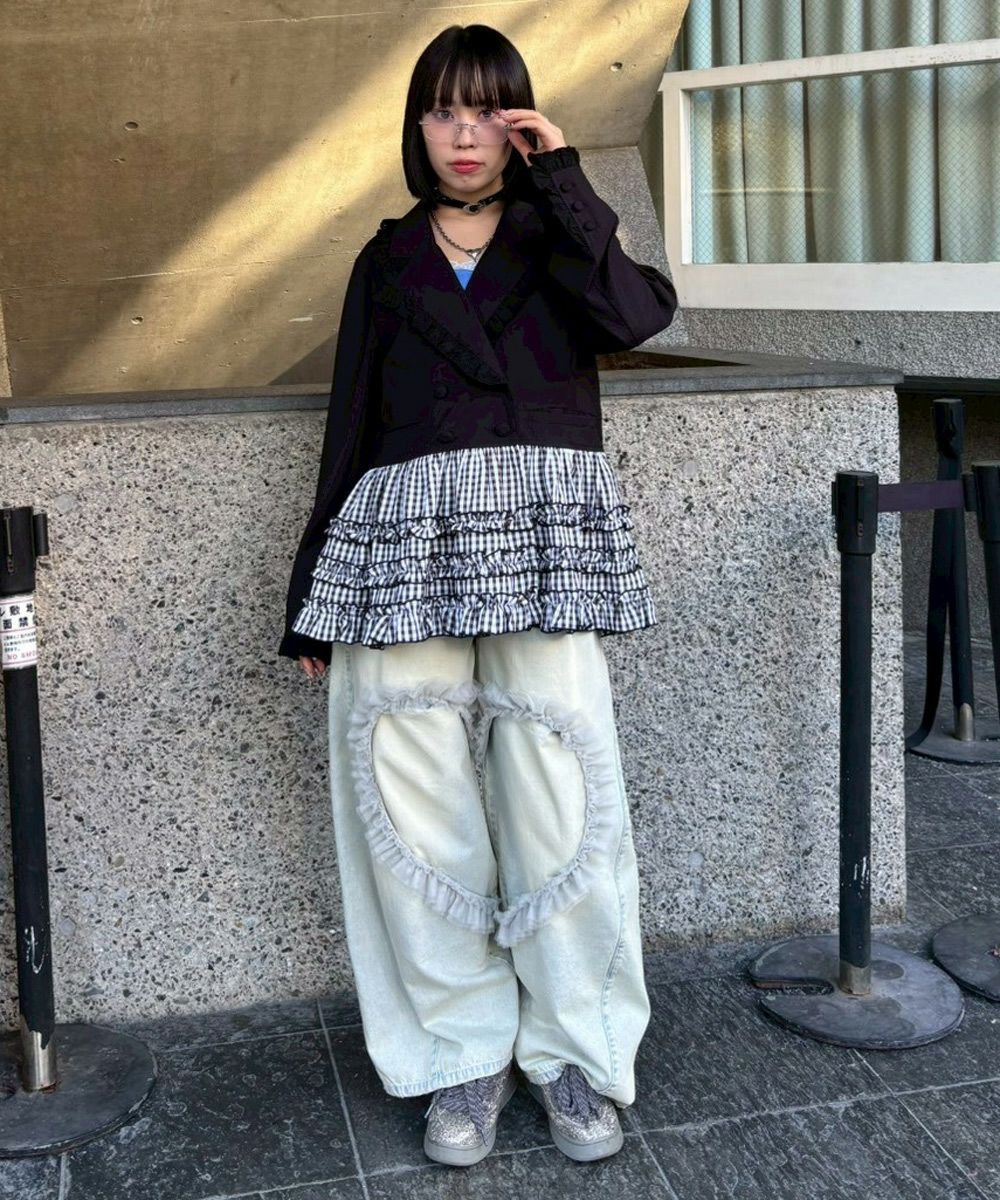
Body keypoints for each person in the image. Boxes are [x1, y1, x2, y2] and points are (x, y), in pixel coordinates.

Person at [278, 23, 678, 1168]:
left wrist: (564, 178)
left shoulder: (560, 232)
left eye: (488, 110)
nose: (465, 134)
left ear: (520, 123)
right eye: (443, 110)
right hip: (400, 549)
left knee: (563, 796)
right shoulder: (386, 258)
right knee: (411, 803)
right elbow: (350, 422)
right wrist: (312, 592)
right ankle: (462, 1051)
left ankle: (573, 1051)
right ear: (416, 125)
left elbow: (638, 317)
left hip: (541, 542)